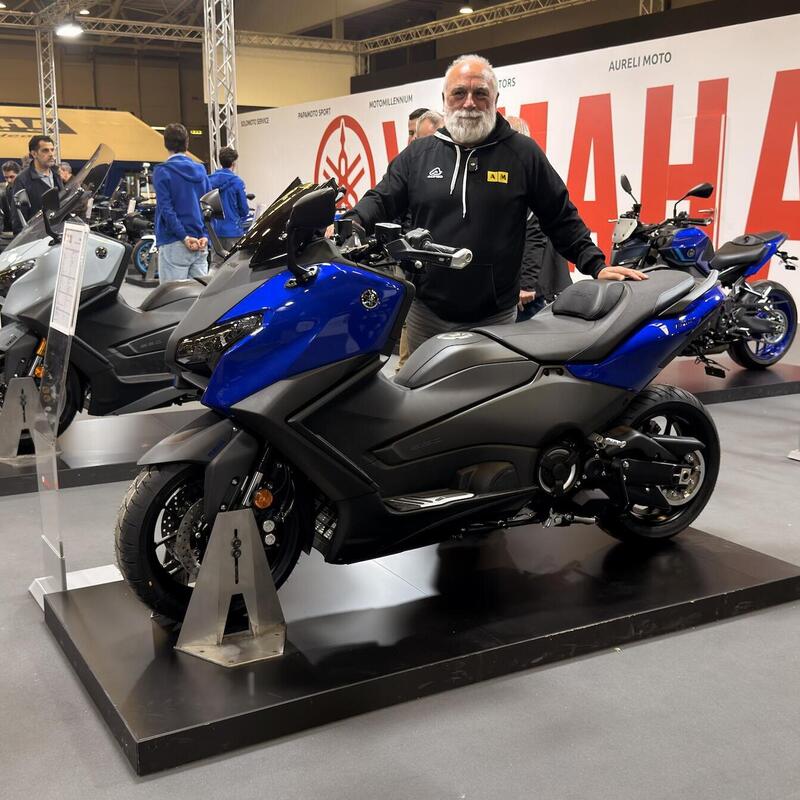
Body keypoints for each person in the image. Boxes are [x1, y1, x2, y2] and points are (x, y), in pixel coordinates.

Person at [347, 54, 644, 354]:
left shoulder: (522, 154)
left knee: (488, 387)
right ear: (445, 99)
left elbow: (560, 215)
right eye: (459, 93)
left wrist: (595, 265)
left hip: (494, 318)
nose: (469, 103)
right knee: (420, 386)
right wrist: (352, 222)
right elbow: (381, 198)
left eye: (480, 93)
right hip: (426, 315)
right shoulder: (418, 155)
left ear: (495, 99)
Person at [504, 116, 571, 321]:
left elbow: (535, 233)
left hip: (531, 291)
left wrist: (526, 284)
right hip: (530, 284)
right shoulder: (521, 173)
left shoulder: (529, 174)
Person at [153, 122, 211, 283]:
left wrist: (184, 237)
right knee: (199, 294)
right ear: (187, 143)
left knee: (172, 296)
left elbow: (166, 209)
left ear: (165, 143)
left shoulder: (162, 171)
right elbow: (208, 207)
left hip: (174, 242)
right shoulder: (201, 171)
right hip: (200, 242)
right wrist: (205, 235)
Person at [11, 135, 64, 233]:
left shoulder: (56, 175)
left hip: (57, 232)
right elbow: (19, 219)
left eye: (52, 150)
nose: (51, 154)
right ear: (34, 154)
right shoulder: (22, 180)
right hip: (36, 237)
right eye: (45, 150)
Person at [208, 146, 249, 251]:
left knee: (216, 260)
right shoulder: (237, 182)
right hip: (233, 231)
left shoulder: (209, 181)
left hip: (215, 232)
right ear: (233, 163)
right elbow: (244, 210)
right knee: (233, 260)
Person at [0, 160, 21, 233]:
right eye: (6, 177)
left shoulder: (28, 188)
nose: (9, 180)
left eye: (12, 177)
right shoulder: (5, 192)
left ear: (19, 174)